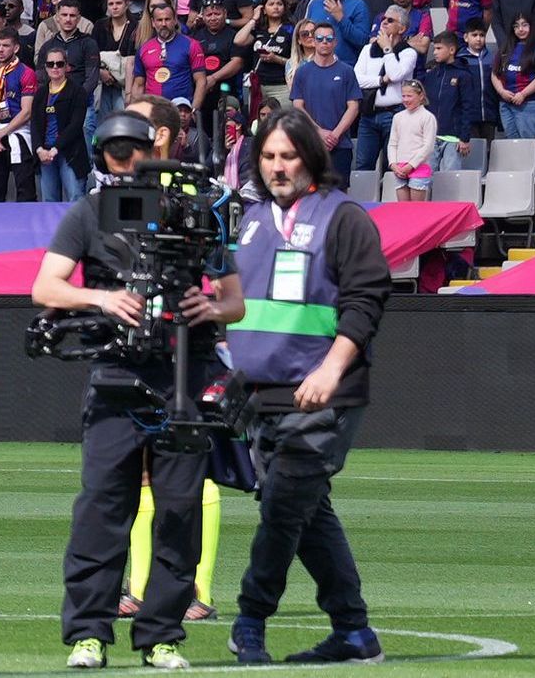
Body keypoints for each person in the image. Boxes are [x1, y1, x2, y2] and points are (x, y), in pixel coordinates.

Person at [211, 114, 390, 666]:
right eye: (268, 157)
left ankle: (249, 621)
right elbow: (233, 305)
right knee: (308, 514)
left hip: (321, 395)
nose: (277, 167)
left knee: (285, 508)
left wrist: (332, 370)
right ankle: (355, 634)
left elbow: (366, 302)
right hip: (258, 397)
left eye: (287, 156)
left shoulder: (344, 217)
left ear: (310, 156)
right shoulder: (249, 219)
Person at [37, 108, 209, 669]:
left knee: (179, 511)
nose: (125, 163)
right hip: (114, 377)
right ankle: (89, 632)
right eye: (115, 152)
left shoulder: (189, 208)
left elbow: (231, 293)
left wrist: (208, 305)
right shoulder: (88, 212)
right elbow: (46, 286)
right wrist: (103, 299)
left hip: (181, 376)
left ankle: (161, 636)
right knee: (102, 508)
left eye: (133, 149)